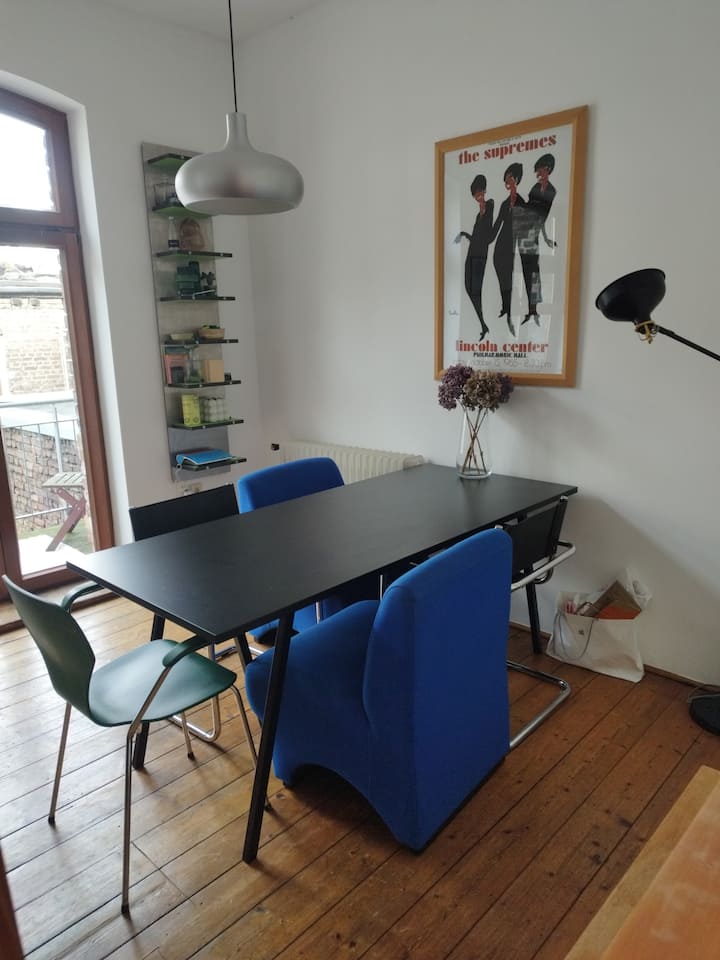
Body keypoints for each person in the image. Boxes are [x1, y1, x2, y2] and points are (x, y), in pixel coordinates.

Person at [454, 174, 494, 340]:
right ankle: (483, 324)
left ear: (483, 190)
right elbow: (477, 237)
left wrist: (484, 212)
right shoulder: (478, 215)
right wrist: (465, 234)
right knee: (468, 287)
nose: (477, 196)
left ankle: (483, 324)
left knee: (475, 290)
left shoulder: (490, 205)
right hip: (472, 253)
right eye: (475, 194)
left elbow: (486, 235)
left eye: (479, 192)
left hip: (480, 256)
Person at [520, 153, 557, 326]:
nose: (537, 174)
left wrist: (546, 238)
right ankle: (530, 309)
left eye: (540, 170)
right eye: (537, 171)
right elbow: (530, 210)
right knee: (526, 272)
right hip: (524, 231)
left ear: (547, 169)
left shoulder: (551, 191)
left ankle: (533, 309)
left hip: (532, 234)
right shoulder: (536, 187)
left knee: (534, 272)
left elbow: (543, 216)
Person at [489, 162, 525, 336]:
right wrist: (482, 239)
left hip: (512, 247)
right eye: (506, 179)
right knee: (502, 279)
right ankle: (505, 307)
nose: (507, 182)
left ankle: (510, 312)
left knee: (509, 280)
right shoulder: (504, 204)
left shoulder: (521, 202)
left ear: (516, 179)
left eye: (510, 178)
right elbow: (496, 226)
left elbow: (524, 229)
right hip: (499, 247)